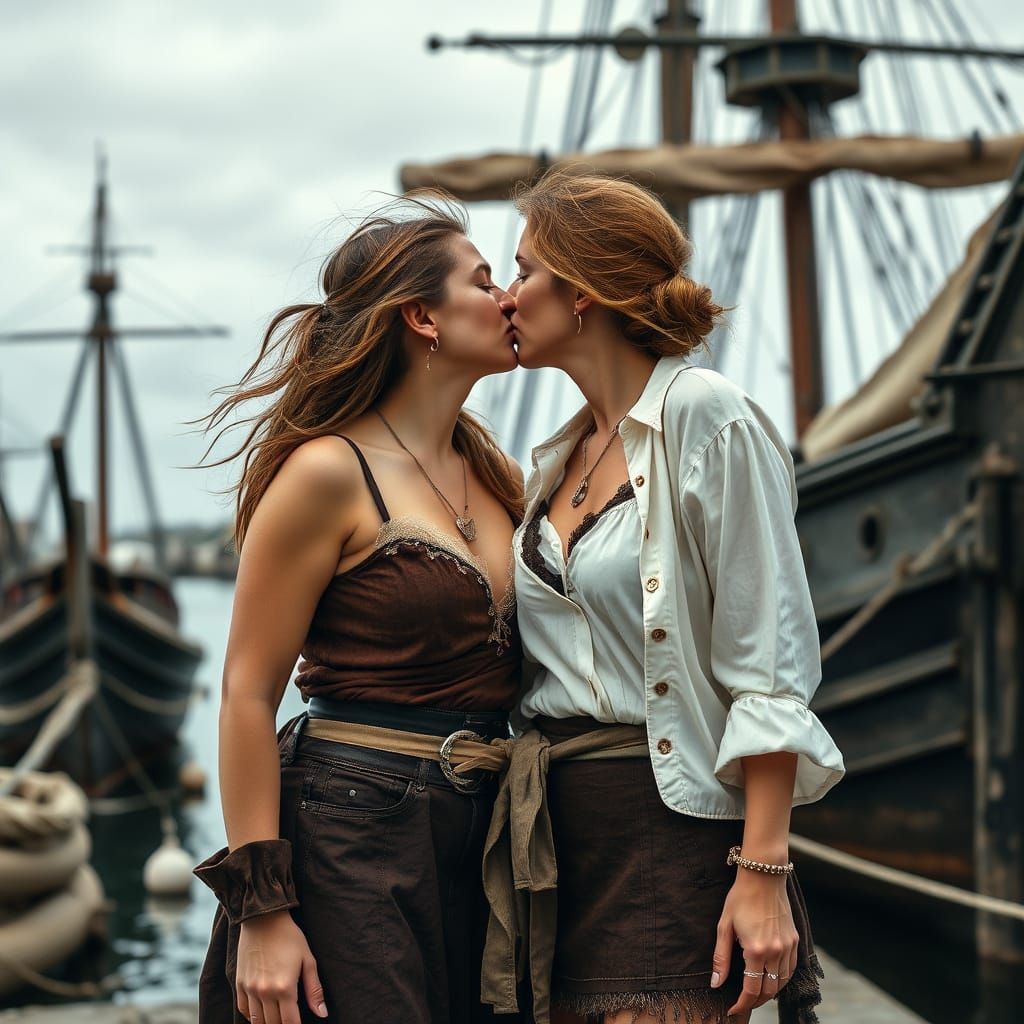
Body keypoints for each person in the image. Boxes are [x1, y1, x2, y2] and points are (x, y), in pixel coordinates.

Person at [489, 172, 845, 1024]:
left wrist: (761, 875)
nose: (505, 295)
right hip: (555, 846)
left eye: (524, 270)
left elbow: (769, 665)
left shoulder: (707, 416)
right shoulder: (557, 455)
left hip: (669, 835)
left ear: (582, 293)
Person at [191, 195, 525, 1024]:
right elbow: (244, 693)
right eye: (484, 281)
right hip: (353, 827)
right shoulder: (328, 472)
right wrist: (262, 910)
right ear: (422, 316)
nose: (507, 298)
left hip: (489, 833)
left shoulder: (496, 473)